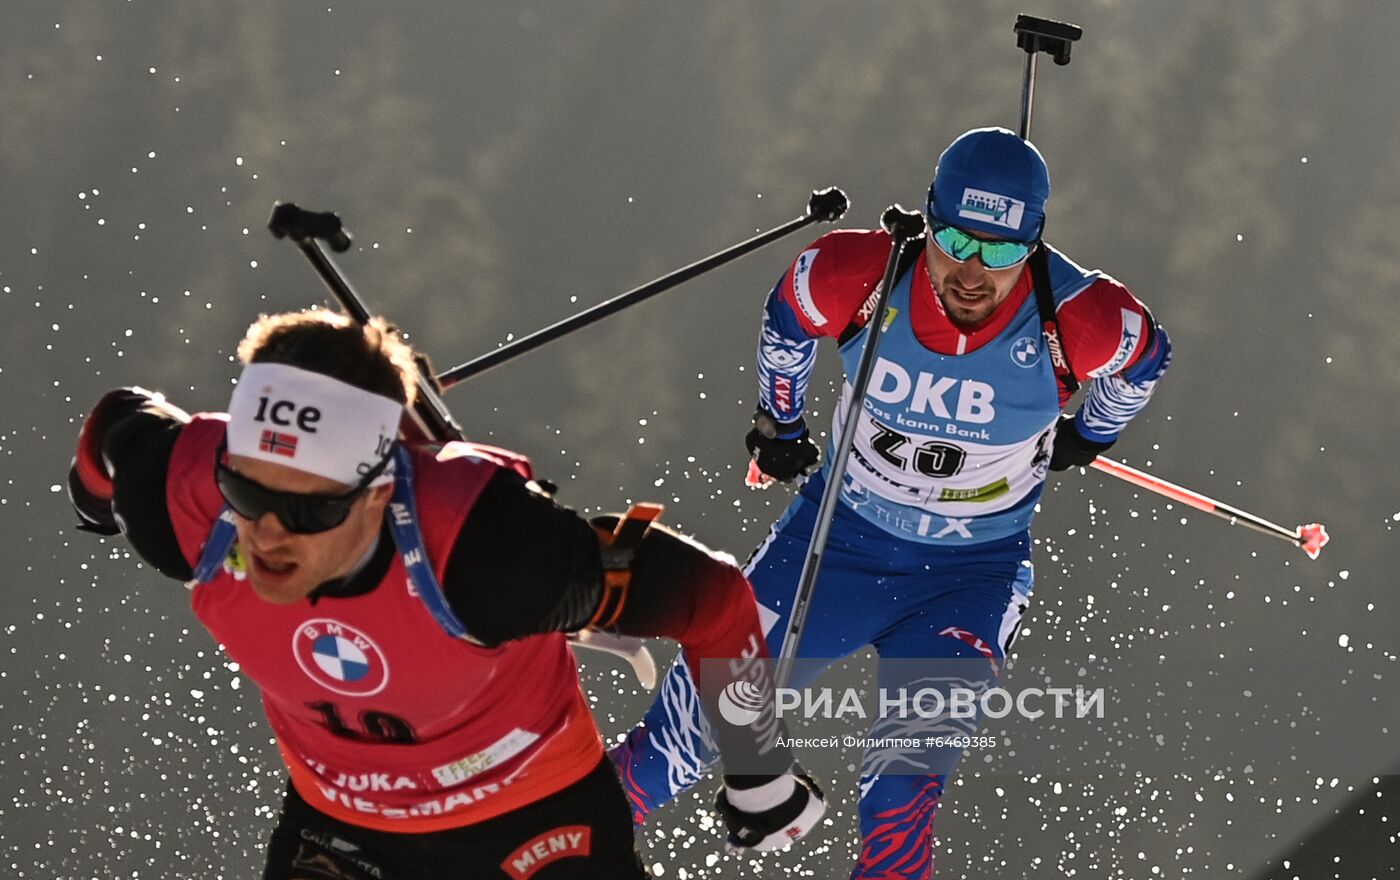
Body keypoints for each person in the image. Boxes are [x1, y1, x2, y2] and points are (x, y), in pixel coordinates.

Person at [66, 310, 826, 879]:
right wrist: (95, 496)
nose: (266, 533)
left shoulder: (491, 550)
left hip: (537, 822)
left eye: (309, 511)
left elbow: (716, 600)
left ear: (377, 492)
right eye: (246, 489)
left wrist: (756, 771)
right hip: (344, 829)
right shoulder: (186, 501)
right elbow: (116, 426)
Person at [609, 126, 1173, 877]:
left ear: (1034, 244)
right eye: (955, 241)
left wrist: (1088, 435)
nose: (973, 273)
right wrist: (778, 426)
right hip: (836, 543)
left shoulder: (1083, 316)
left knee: (899, 793)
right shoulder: (858, 274)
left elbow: (1146, 361)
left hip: (969, 580)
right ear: (928, 218)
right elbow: (788, 320)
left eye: (1002, 253)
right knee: (691, 734)